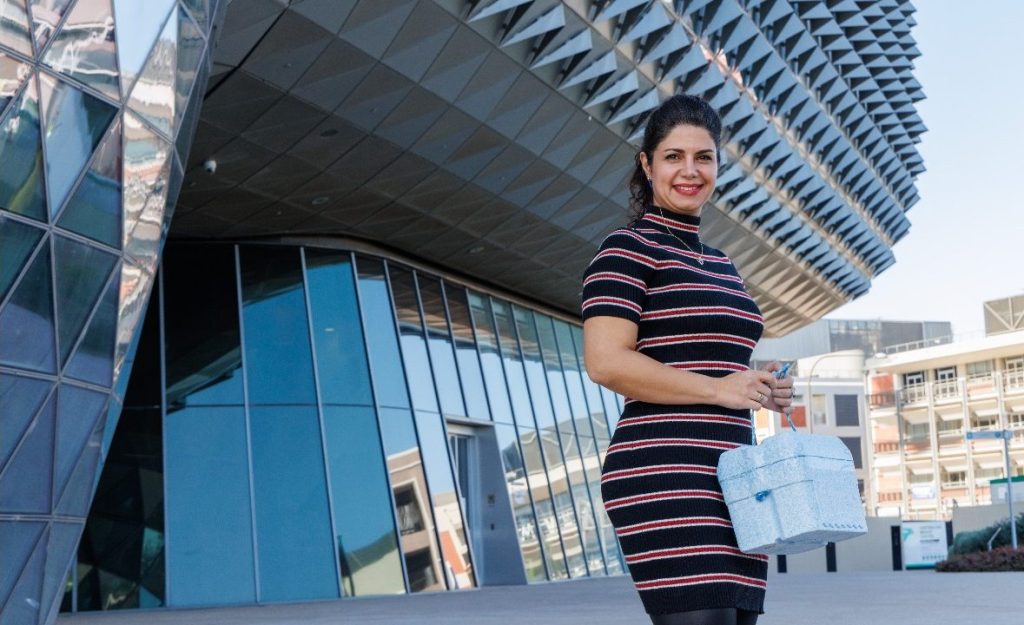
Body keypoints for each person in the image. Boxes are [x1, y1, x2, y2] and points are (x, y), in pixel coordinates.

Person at [581, 94, 795, 625]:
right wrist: (720, 389)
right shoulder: (625, 248)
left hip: (735, 478)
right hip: (662, 469)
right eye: (673, 156)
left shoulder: (721, 263)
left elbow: (710, 356)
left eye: (704, 157)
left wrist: (759, 383)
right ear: (646, 164)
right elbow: (606, 362)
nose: (689, 170)